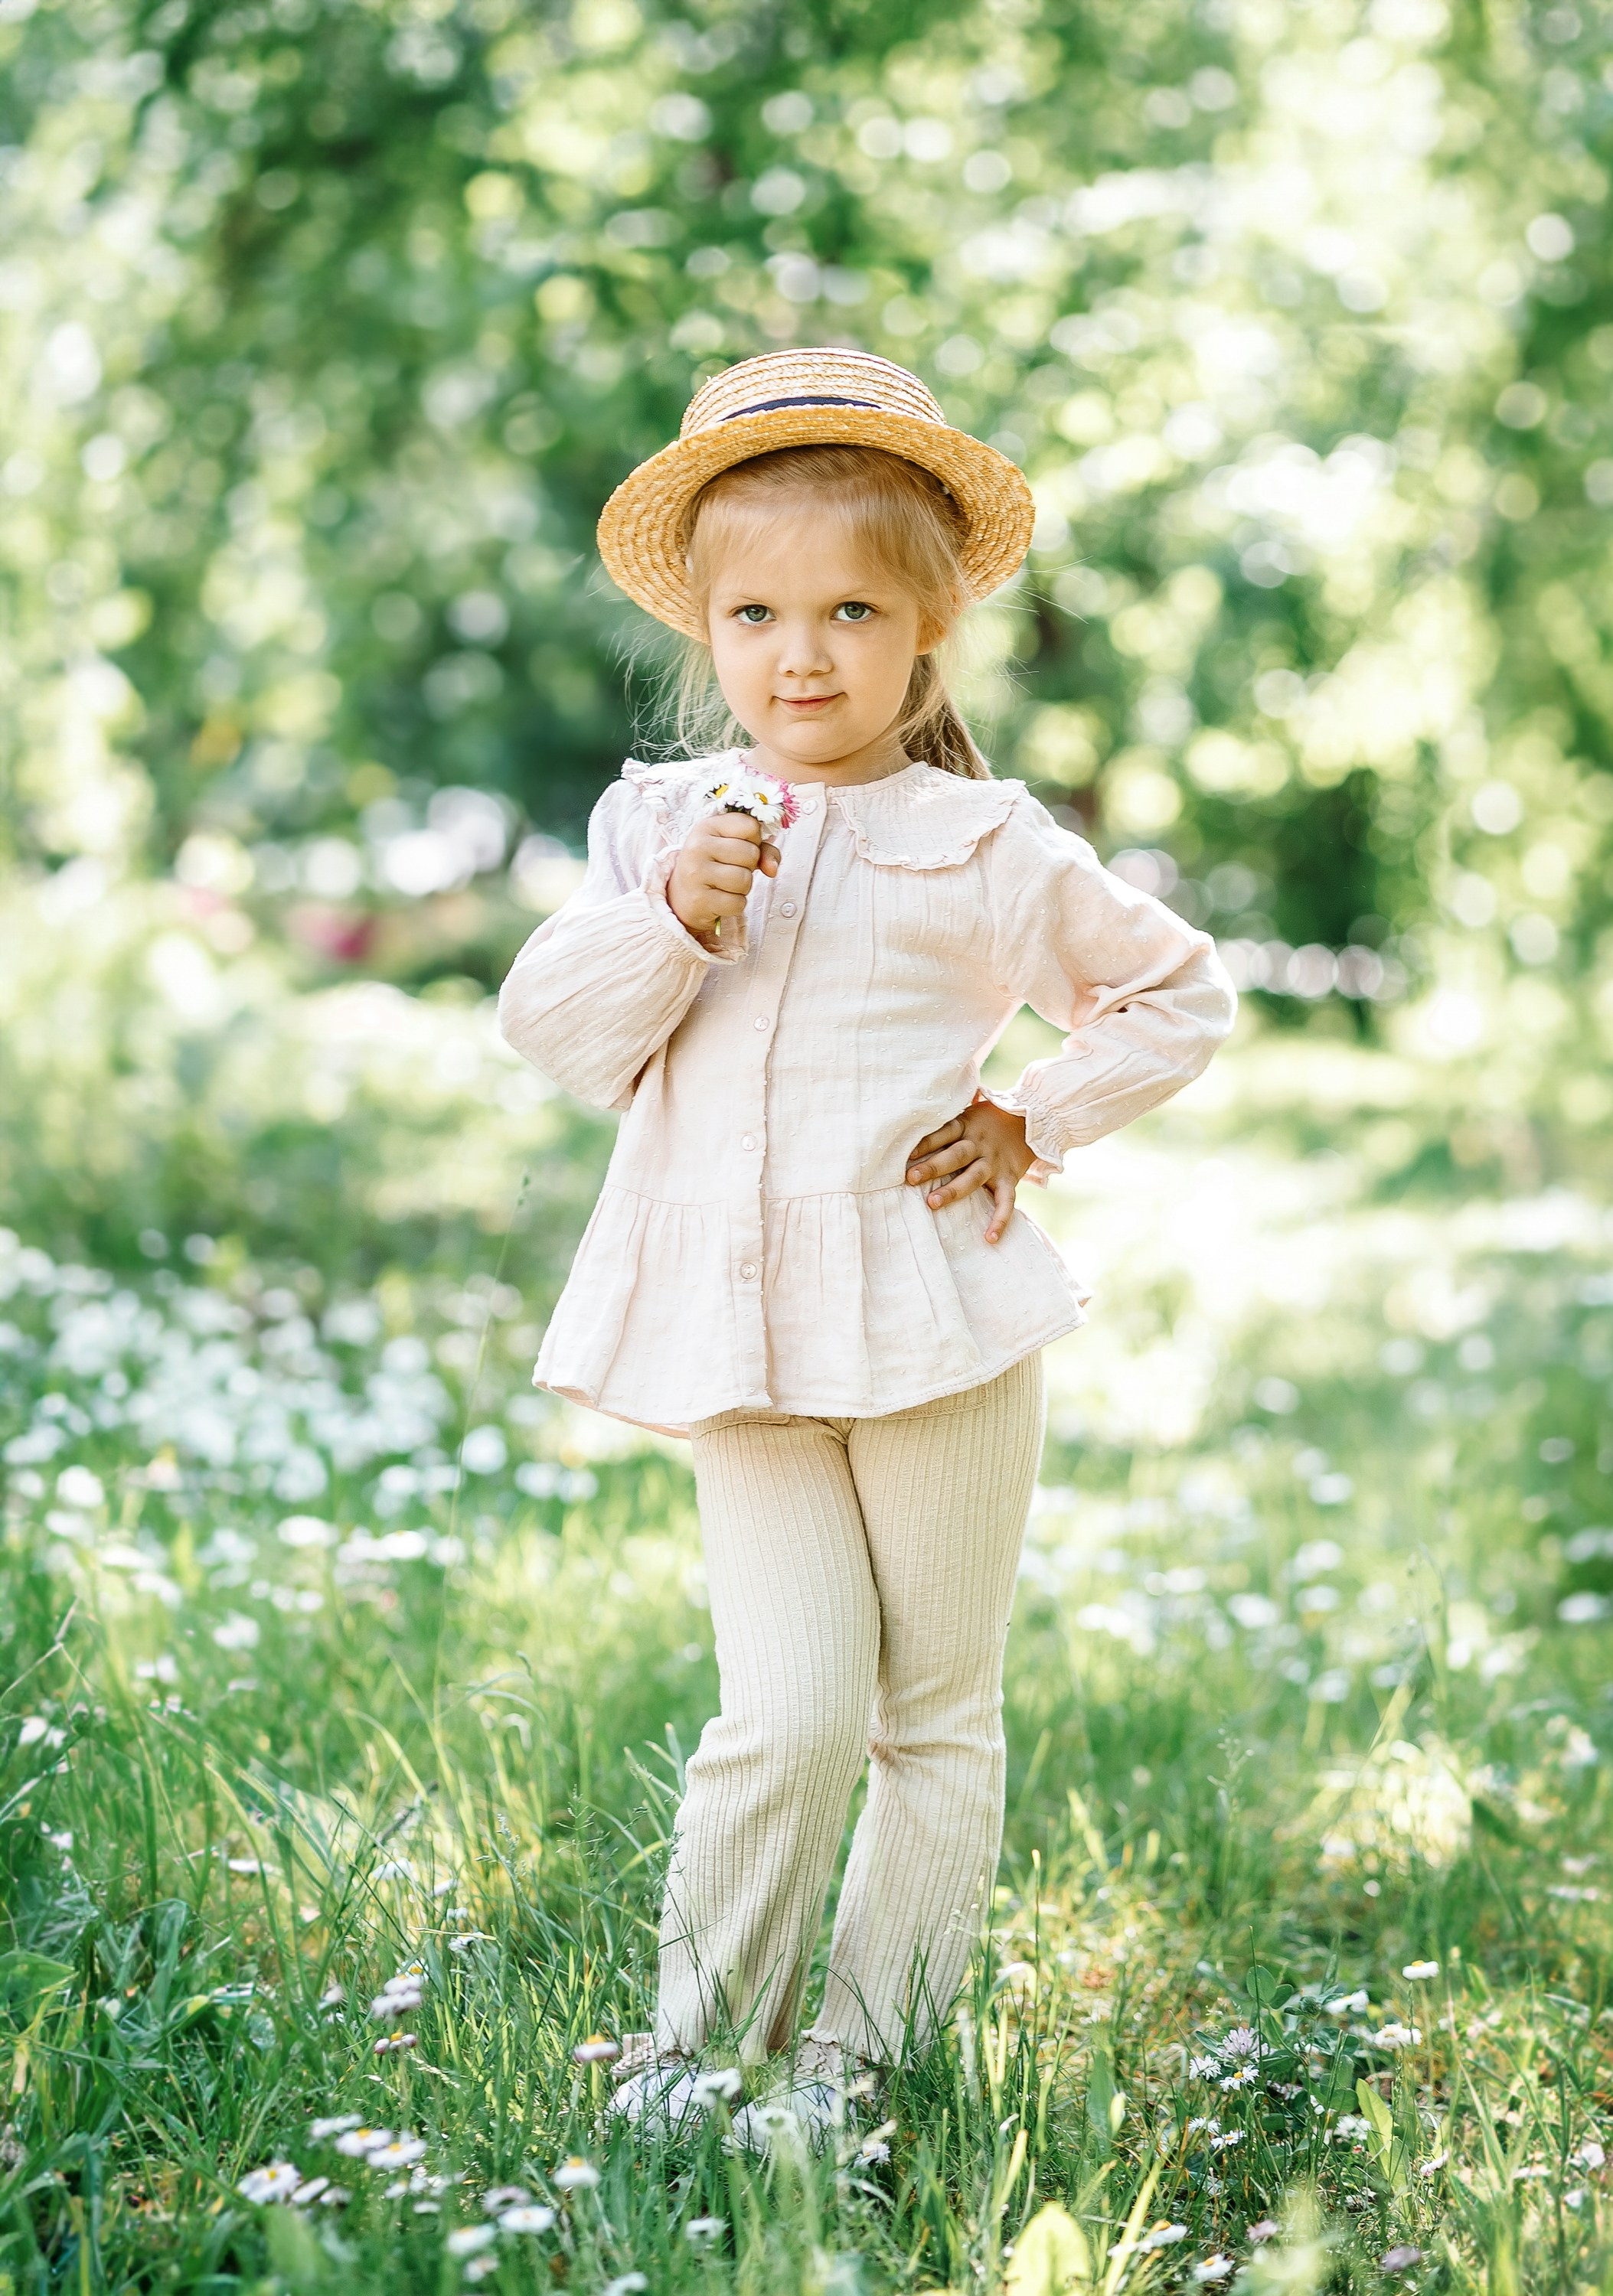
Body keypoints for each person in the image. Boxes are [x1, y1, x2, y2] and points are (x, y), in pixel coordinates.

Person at [498, 347, 1236, 2135]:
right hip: (734, 1341)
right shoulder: (655, 829)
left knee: (930, 1713)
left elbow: (1176, 993)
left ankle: (856, 2065)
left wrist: (1029, 1118)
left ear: (927, 631)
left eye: (848, 609)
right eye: (753, 613)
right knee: (790, 1709)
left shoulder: (981, 839)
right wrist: (674, 923)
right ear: (705, 630)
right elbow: (559, 1038)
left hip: (934, 1324)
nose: (801, 653)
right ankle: (696, 2056)